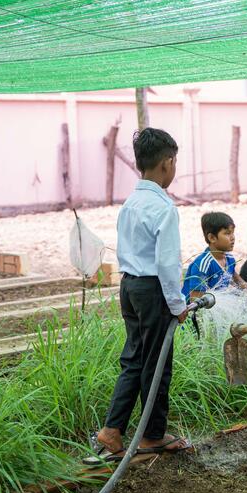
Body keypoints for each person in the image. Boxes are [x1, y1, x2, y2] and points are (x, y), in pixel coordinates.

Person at [93, 128, 190, 463]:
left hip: (129, 286)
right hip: (152, 291)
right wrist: (177, 304)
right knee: (157, 363)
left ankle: (112, 431)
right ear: (167, 163)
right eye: (174, 162)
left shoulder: (131, 203)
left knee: (135, 357)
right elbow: (166, 264)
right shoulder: (164, 207)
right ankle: (152, 435)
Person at [182, 212, 247, 299]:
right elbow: (195, 299)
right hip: (196, 309)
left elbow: (234, 276)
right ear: (212, 238)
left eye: (232, 233)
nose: (233, 237)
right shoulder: (203, 265)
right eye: (227, 233)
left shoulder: (229, 259)